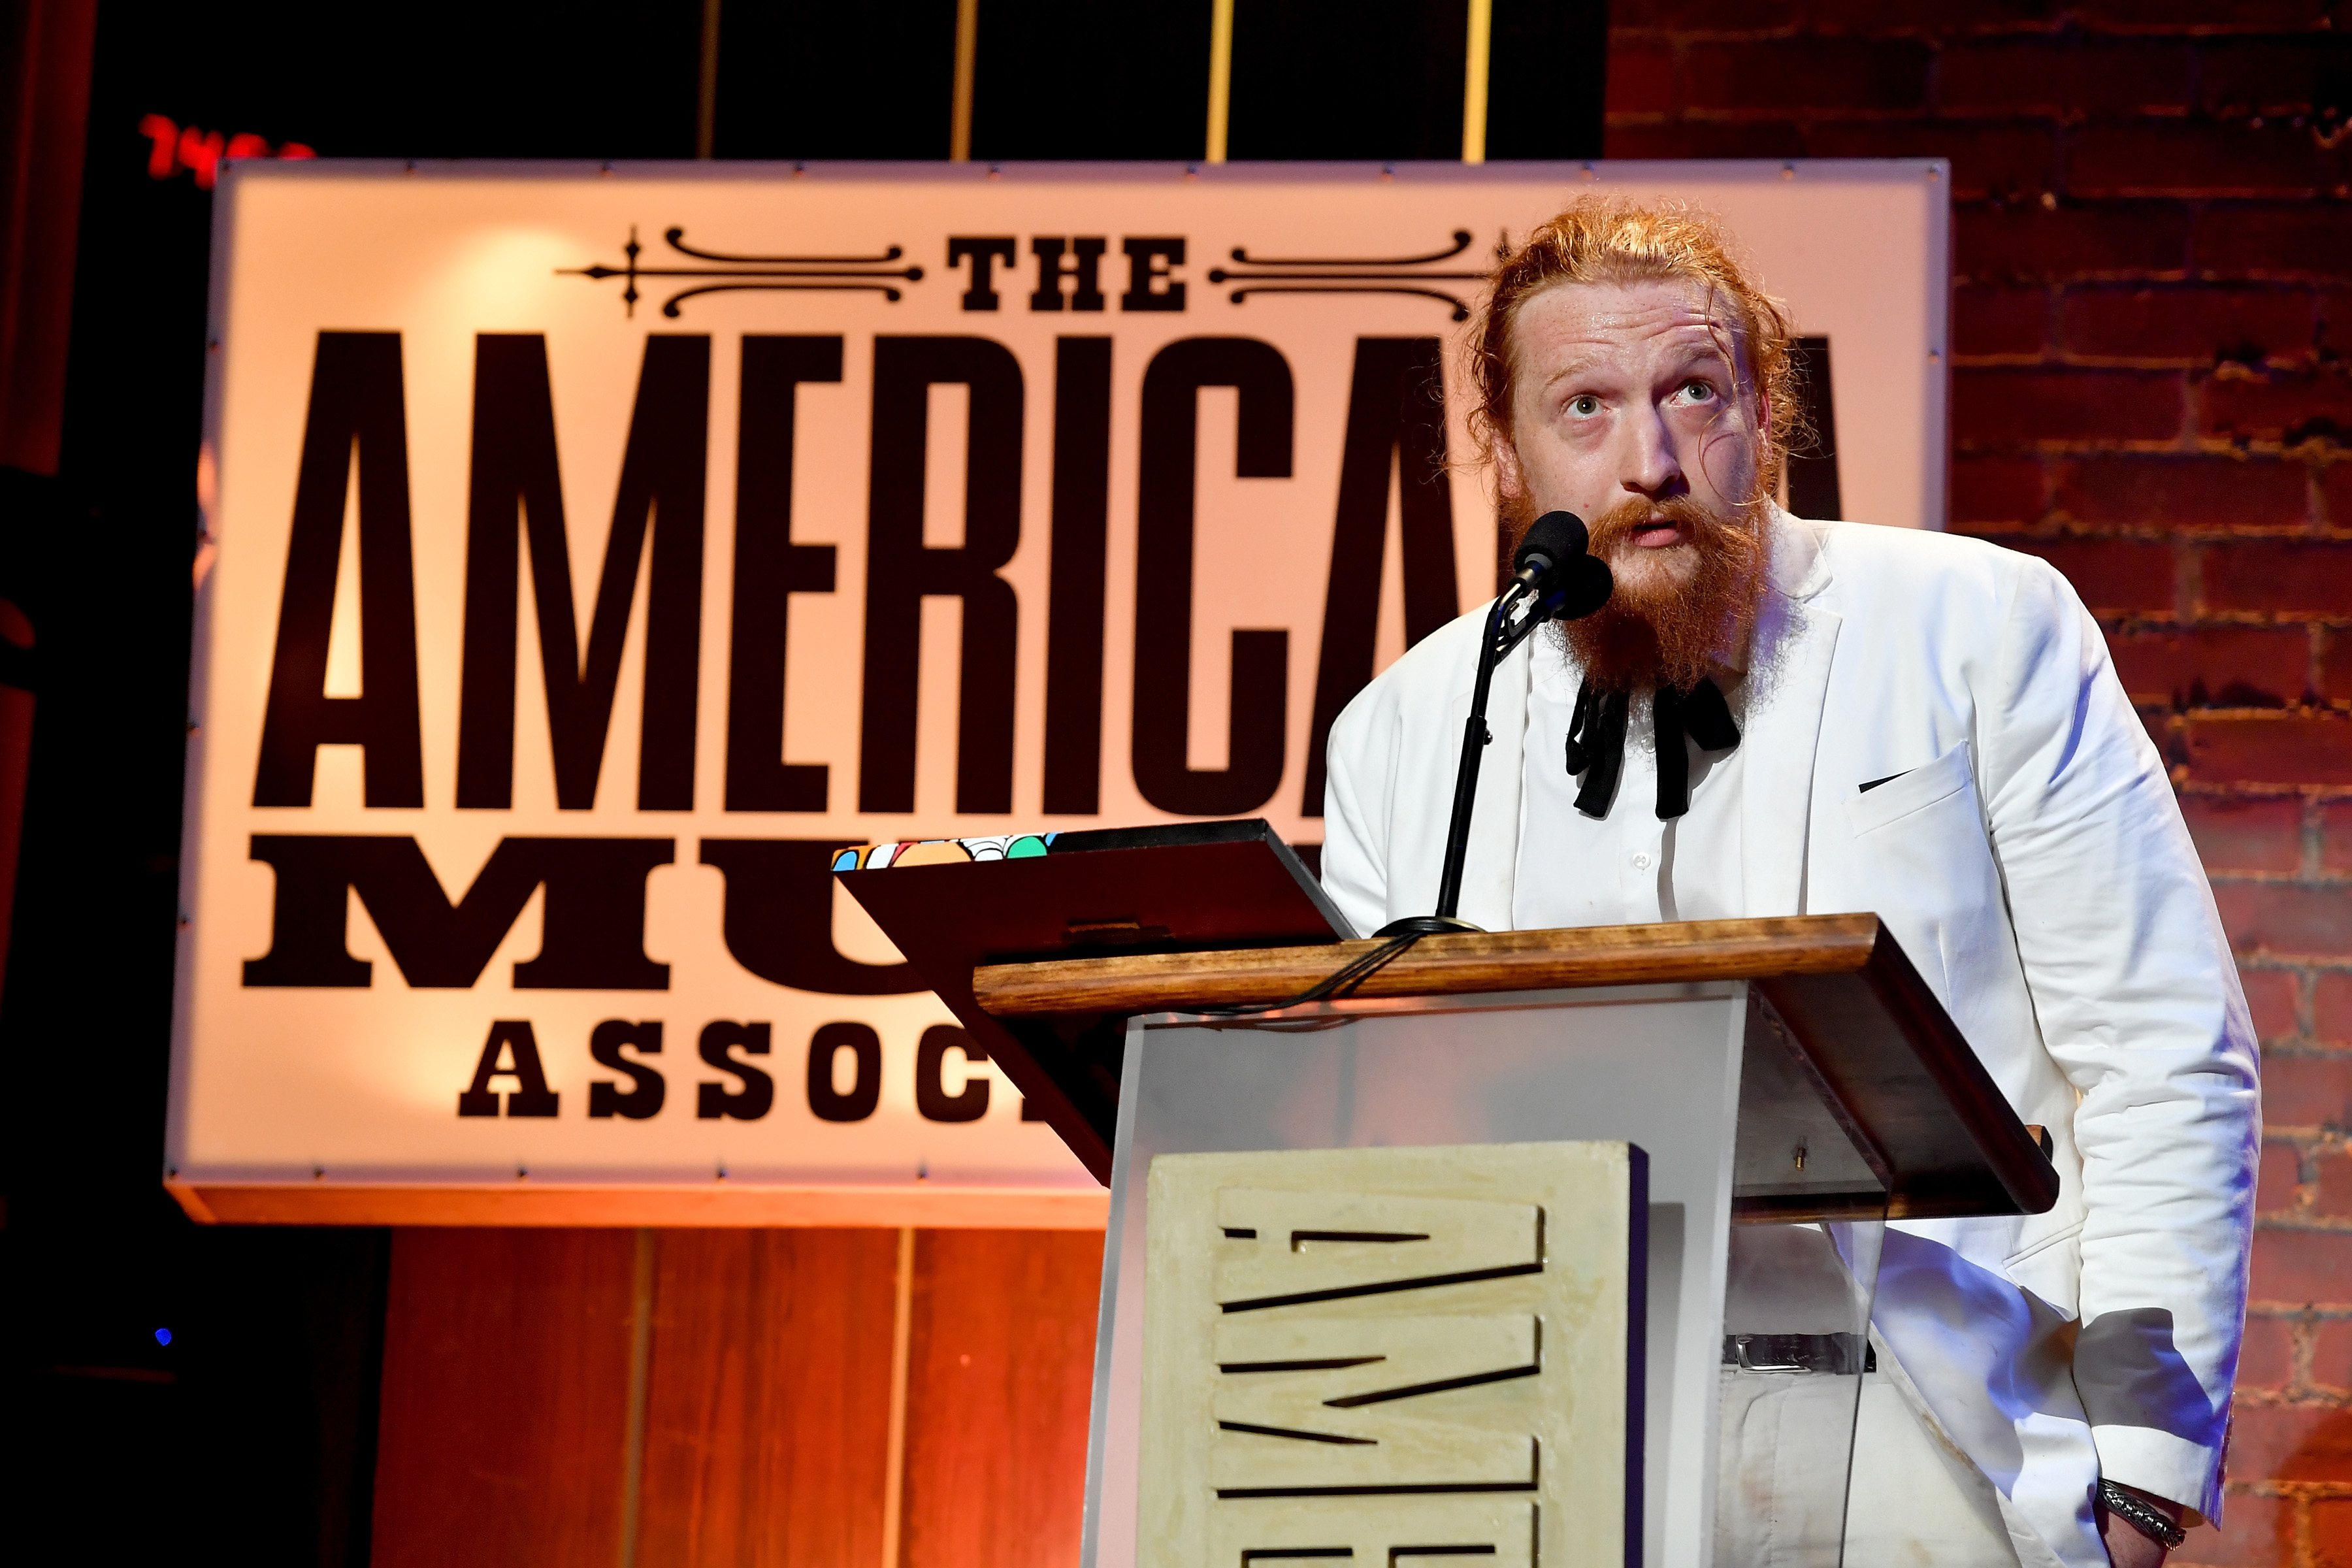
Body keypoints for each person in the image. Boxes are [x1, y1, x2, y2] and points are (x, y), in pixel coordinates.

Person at [1318, 197, 2259, 1568]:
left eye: (1693, 391)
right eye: (1582, 407)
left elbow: (2162, 1046)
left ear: (1764, 411)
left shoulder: (1981, 628)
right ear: (1505, 452)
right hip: (1557, 1446)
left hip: (1939, 1435)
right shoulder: (1407, 731)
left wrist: (2145, 1478)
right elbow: (1355, 1126)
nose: (1649, 458)